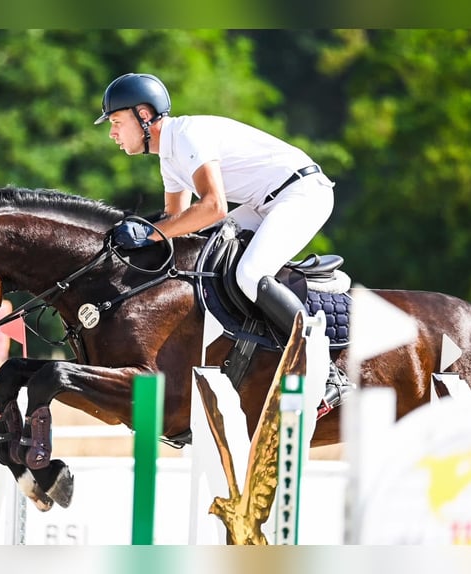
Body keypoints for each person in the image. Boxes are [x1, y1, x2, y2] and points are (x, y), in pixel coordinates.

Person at [95, 72, 352, 414]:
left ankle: (329, 371)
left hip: (302, 193)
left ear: (144, 115)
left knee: (249, 274)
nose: (111, 132)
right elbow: (180, 226)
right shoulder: (169, 157)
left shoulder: (186, 136)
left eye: (115, 121)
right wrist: (137, 233)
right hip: (266, 202)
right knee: (202, 253)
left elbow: (214, 207)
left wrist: (153, 233)